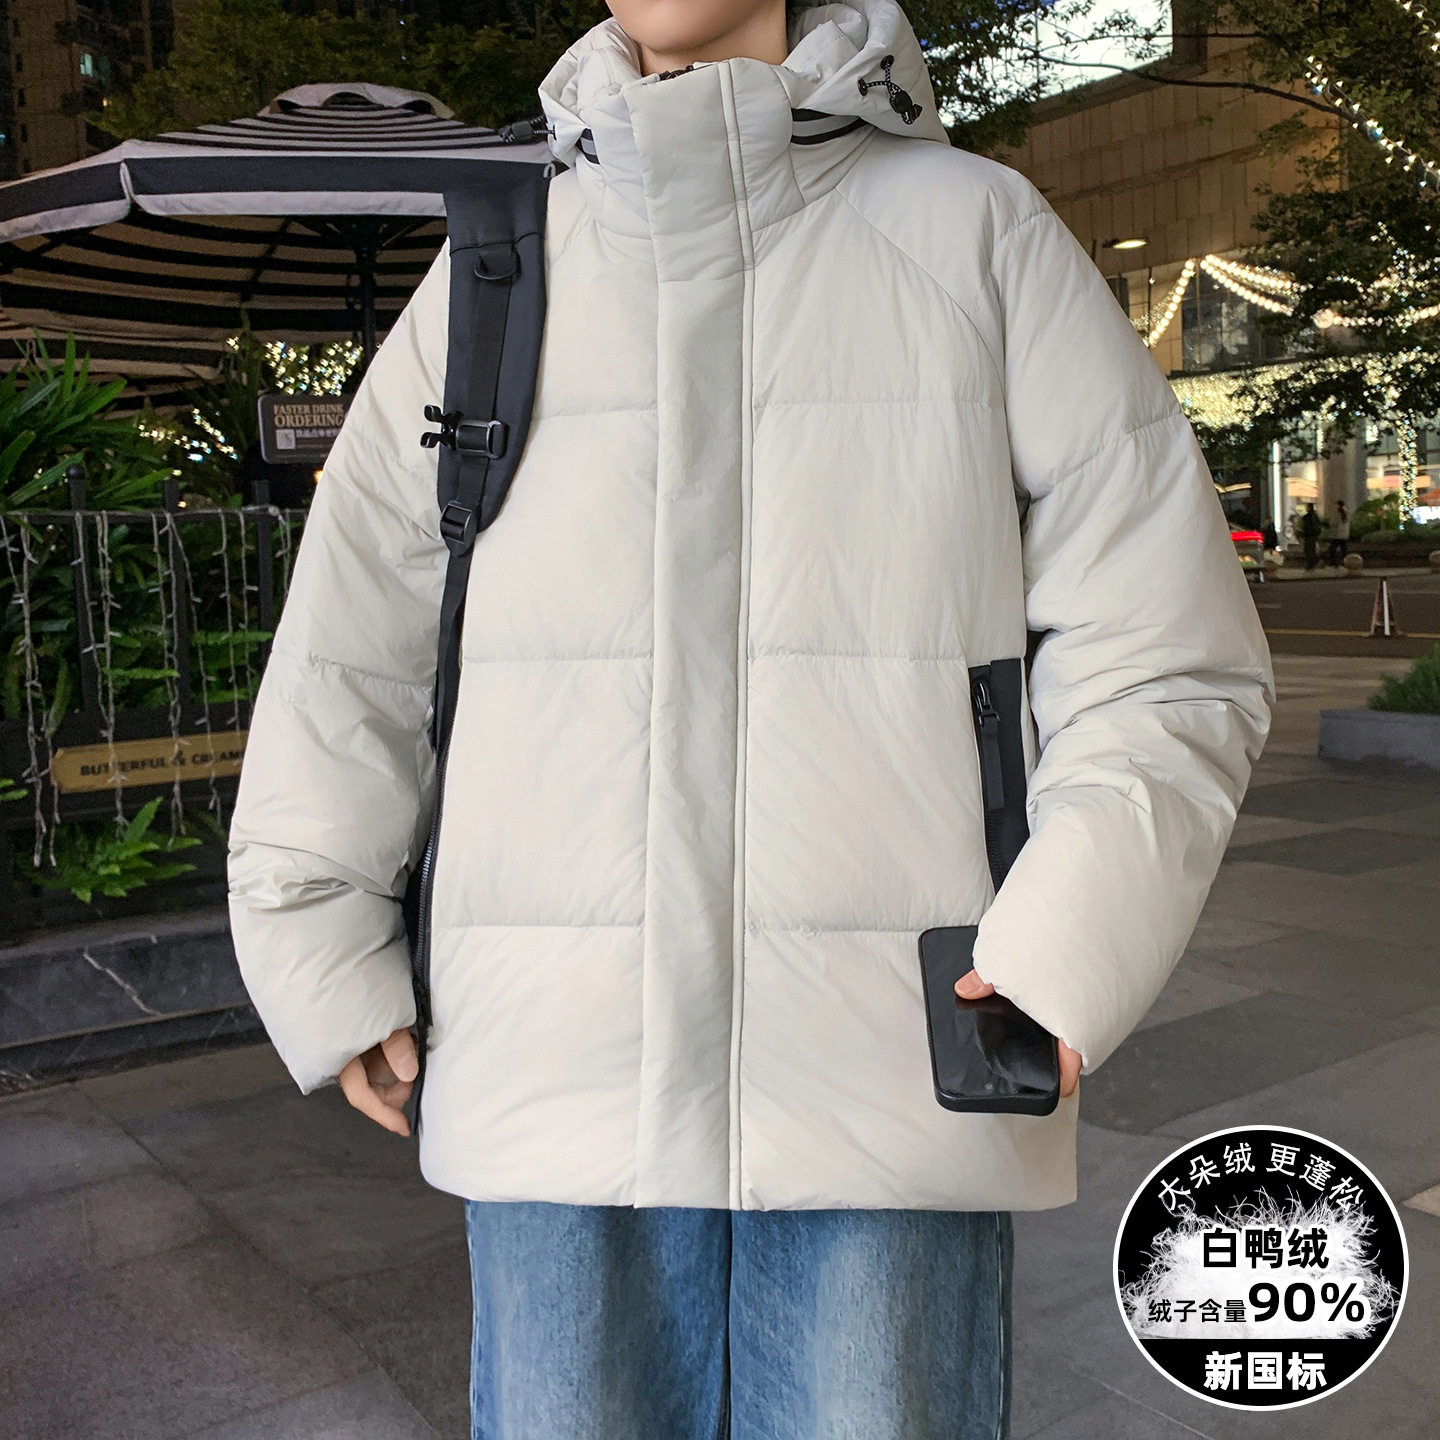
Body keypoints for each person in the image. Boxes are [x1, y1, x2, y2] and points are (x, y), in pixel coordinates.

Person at [225, 1, 1274, 1435]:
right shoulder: (497, 269)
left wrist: (1071, 939)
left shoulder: (976, 233)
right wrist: (315, 924)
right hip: (551, 1058)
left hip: (892, 1067)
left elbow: (1165, 645)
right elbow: (356, 641)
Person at [1299, 500, 1322, 569]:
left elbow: (1305, 525)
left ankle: (1311, 563)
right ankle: (1312, 563)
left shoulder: (1308, 517)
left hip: (1309, 535)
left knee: (1309, 550)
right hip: (1313, 535)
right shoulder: (1314, 516)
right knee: (1311, 549)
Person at [1328, 498, 1351, 566]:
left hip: (1337, 534)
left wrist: (1330, 524)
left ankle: (1334, 562)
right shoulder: (1347, 512)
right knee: (1344, 549)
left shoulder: (1337, 513)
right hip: (1344, 534)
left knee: (1332, 549)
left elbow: (1333, 523)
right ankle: (1345, 562)